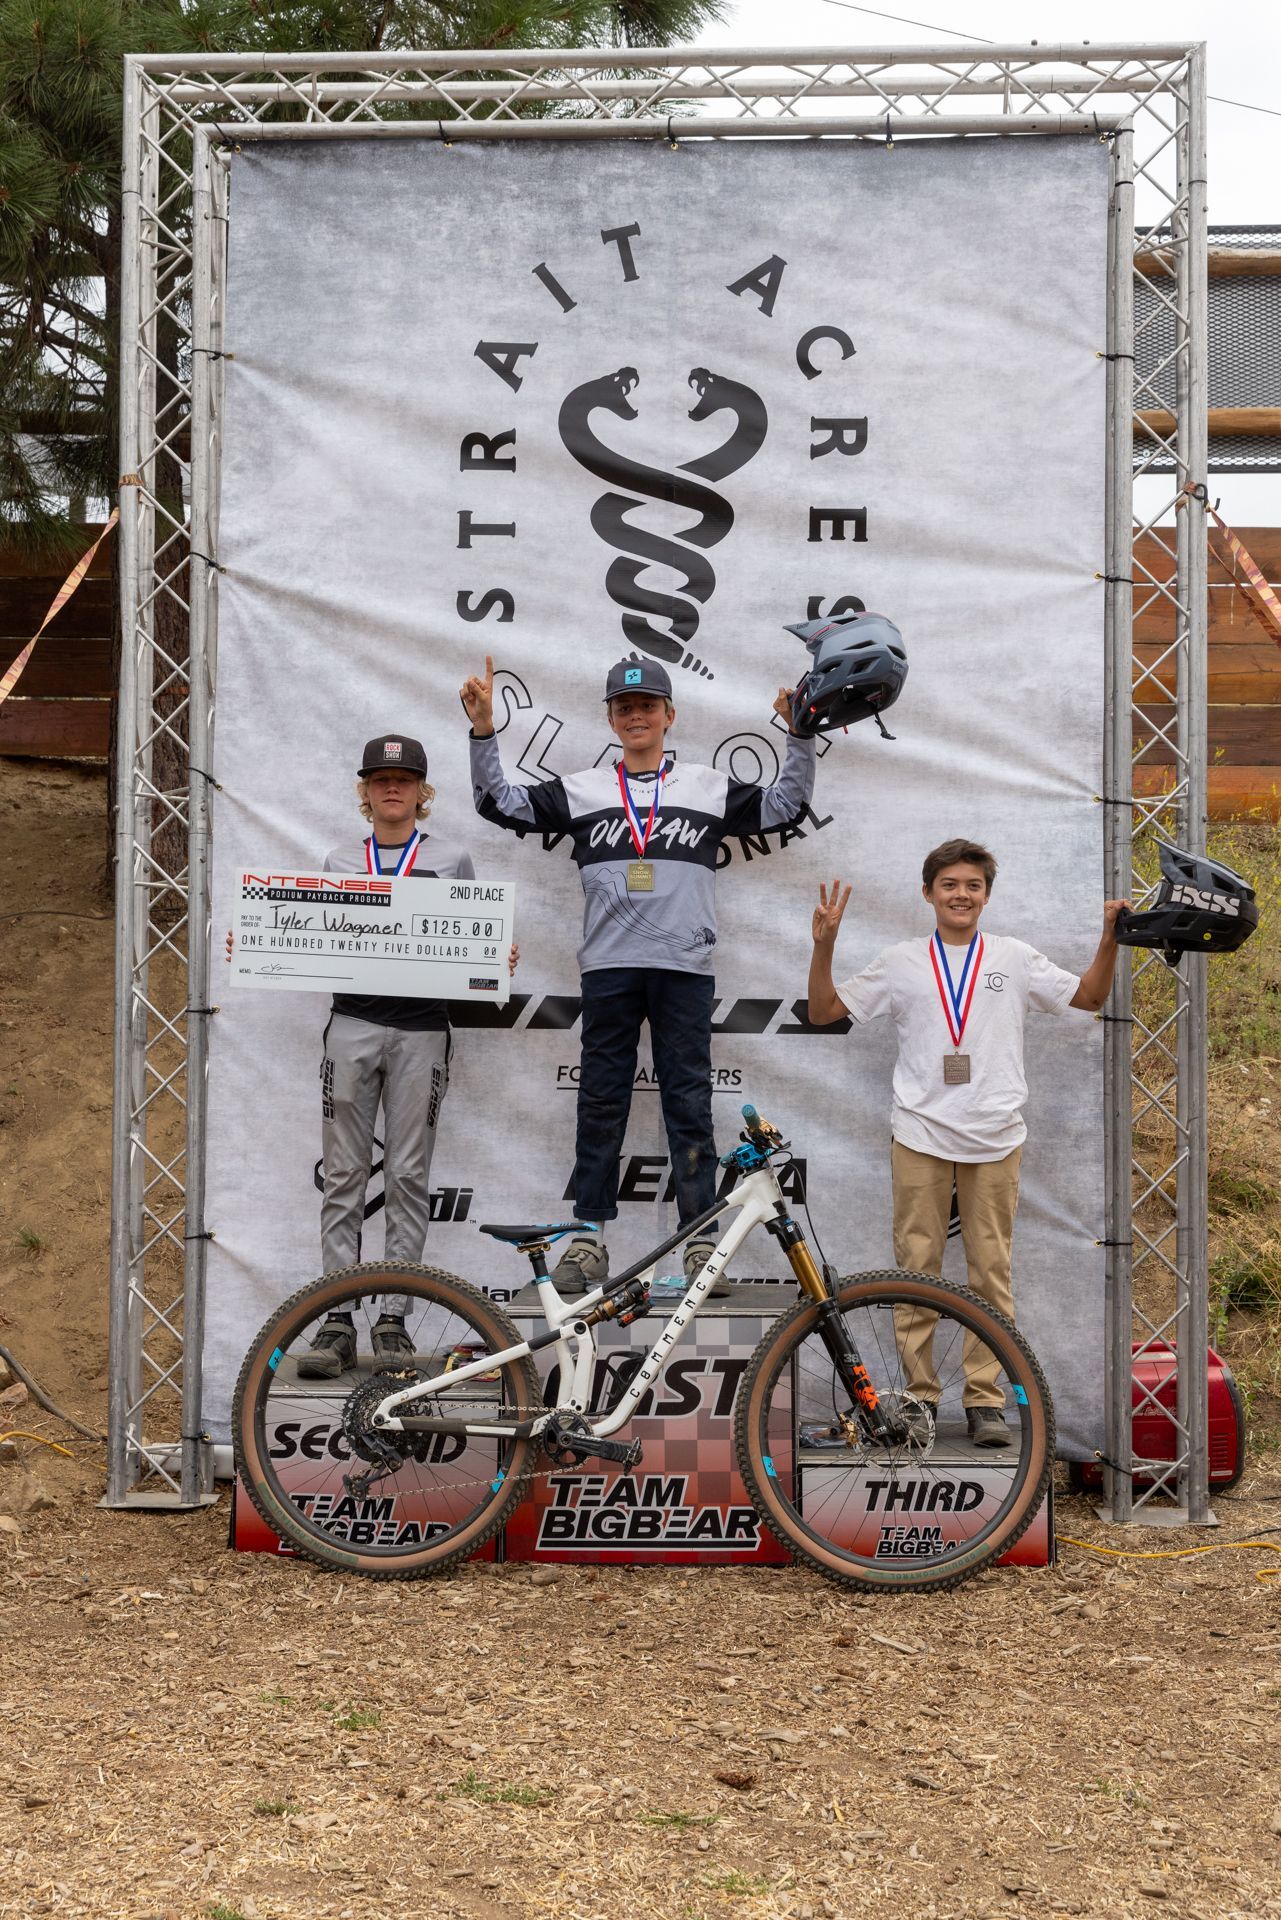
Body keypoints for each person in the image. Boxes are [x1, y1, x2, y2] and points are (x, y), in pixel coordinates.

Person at [460, 653, 818, 1295]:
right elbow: (499, 804)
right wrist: (485, 733)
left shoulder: (708, 787)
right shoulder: (584, 789)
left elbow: (786, 807)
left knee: (688, 1103)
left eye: (647, 706)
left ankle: (701, 1239)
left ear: (669, 715)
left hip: (684, 968)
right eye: (624, 708)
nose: (636, 716)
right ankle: (589, 1240)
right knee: (600, 1103)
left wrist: (797, 737)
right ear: (611, 718)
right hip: (608, 968)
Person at [806, 838, 1128, 1445]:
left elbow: (1088, 997)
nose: (961, 894)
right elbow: (823, 1010)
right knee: (916, 1271)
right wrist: (823, 945)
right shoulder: (902, 960)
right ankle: (919, 1399)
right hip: (921, 1134)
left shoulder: (1014, 956)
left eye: (973, 885)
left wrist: (1109, 937)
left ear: (986, 895)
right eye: (949, 884)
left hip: (996, 1136)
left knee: (990, 1274)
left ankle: (986, 1402)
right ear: (928, 893)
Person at [226, 733, 509, 1379]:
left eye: (403, 779)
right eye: (380, 778)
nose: (391, 788)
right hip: (352, 1026)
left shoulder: (451, 858)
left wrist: (493, 956)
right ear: (364, 790)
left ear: (421, 792)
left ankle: (392, 1319)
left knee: (408, 1175)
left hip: (421, 1033)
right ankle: (335, 1319)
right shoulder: (337, 858)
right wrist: (266, 937)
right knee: (344, 1176)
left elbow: (470, 942)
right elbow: (309, 932)